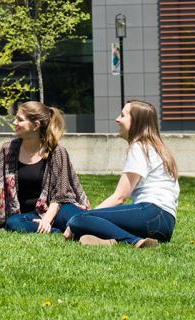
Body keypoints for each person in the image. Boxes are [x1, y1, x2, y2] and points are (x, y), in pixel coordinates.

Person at [65, 100, 179, 248]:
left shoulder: (139, 147)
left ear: (136, 122)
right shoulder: (157, 148)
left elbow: (120, 197)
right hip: (166, 226)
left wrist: (85, 216)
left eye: (123, 115)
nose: (117, 119)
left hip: (151, 214)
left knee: (77, 220)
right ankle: (110, 240)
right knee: (90, 223)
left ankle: (133, 241)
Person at [0, 101, 90, 233]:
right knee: (13, 223)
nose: (14, 123)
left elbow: (60, 195)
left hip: (58, 209)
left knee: (78, 218)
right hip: (29, 216)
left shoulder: (56, 152)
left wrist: (46, 219)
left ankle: (121, 238)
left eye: (20, 120)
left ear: (36, 125)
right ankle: (62, 231)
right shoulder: (8, 150)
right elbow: (3, 190)